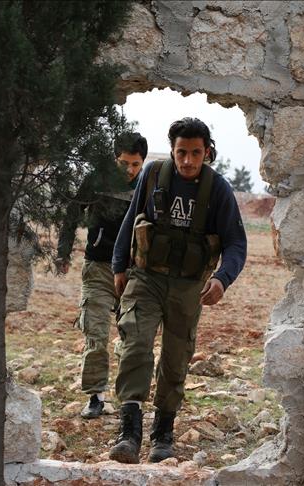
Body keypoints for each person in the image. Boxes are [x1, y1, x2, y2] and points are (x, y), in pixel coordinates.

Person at [108, 118, 247, 463]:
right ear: (172, 150)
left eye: (195, 153)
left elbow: (236, 243)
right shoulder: (153, 175)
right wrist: (119, 266)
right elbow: (132, 218)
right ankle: (129, 432)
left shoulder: (218, 190)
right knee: (135, 343)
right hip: (147, 277)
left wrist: (222, 279)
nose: (187, 160)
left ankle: (163, 434)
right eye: (181, 152)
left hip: (189, 286)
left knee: (176, 357)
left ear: (207, 152)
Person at [57, 132, 148, 419]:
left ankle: (129, 400)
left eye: (135, 164)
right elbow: (73, 211)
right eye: (123, 163)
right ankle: (96, 397)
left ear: (142, 163)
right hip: (97, 268)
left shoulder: (148, 186)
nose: (129, 170)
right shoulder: (96, 180)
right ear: (114, 159)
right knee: (95, 334)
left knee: (132, 336)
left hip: (134, 273)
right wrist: (63, 252)